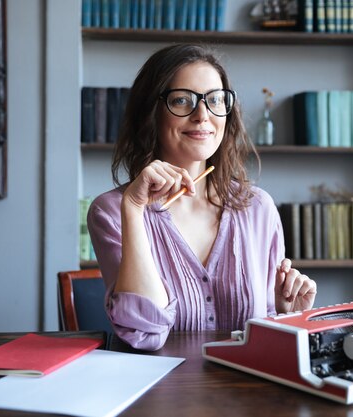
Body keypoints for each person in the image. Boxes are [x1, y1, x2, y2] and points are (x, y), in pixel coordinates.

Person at [87, 44, 317, 351]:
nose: (202, 115)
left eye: (215, 100)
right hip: (159, 394)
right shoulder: (112, 211)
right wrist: (134, 207)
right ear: (150, 113)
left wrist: (290, 317)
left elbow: (266, 337)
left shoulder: (259, 208)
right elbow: (144, 334)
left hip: (246, 396)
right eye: (182, 100)